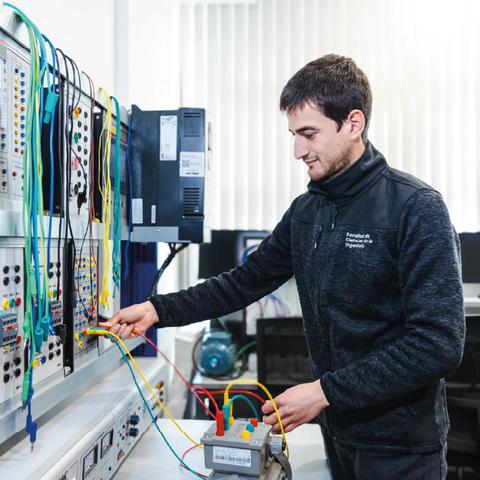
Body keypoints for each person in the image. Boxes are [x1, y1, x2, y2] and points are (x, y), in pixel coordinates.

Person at [102, 54, 465, 479]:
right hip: (339, 434)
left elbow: (438, 343)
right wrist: (159, 310)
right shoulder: (307, 210)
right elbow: (245, 282)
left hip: (400, 447)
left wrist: (325, 391)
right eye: (293, 135)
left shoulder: (415, 208)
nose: (297, 151)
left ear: (353, 123)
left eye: (308, 134)